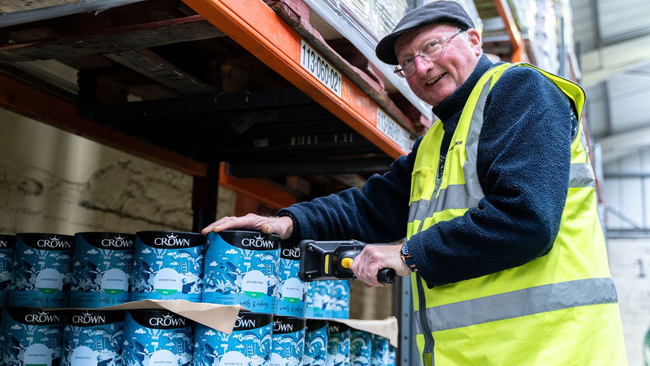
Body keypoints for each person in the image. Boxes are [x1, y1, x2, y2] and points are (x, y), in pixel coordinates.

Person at [203, 1, 627, 364]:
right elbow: (372, 206)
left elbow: (526, 220)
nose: (421, 67)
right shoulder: (435, 142)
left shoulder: (520, 91)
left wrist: (407, 253)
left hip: (553, 353)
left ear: (474, 41)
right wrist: (288, 222)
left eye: (432, 46)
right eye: (407, 61)